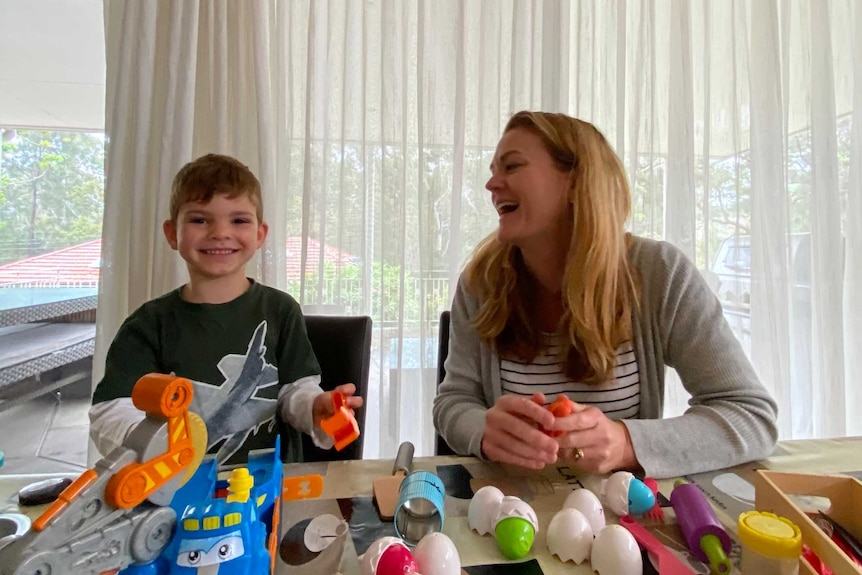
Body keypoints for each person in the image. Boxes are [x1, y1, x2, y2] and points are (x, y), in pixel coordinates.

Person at [432, 111, 777, 479]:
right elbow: (453, 402)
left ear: (577, 182)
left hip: (624, 519)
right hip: (508, 510)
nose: (491, 185)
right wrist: (484, 429)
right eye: (493, 169)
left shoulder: (659, 273)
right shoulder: (480, 282)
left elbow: (750, 415)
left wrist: (625, 442)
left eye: (512, 166)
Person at [90, 153, 362, 465]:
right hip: (172, 496)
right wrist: (154, 443)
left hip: (268, 492)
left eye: (239, 220)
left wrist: (315, 407)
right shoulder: (149, 323)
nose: (220, 232)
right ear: (171, 233)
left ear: (260, 235)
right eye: (199, 220)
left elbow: (292, 392)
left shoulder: (281, 309)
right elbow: (110, 409)